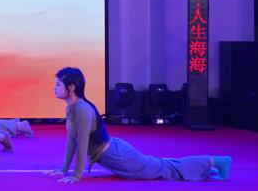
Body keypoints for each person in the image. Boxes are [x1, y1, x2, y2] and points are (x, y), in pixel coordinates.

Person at [49, 67, 231, 183]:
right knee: (163, 166)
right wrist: (64, 169)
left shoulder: (82, 109)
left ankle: (215, 161)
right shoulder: (72, 108)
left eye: (58, 84)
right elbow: (72, 140)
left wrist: (76, 175)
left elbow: (82, 144)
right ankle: (207, 167)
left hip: (119, 157)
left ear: (71, 87)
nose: (54, 88)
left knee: (165, 169)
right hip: (113, 156)